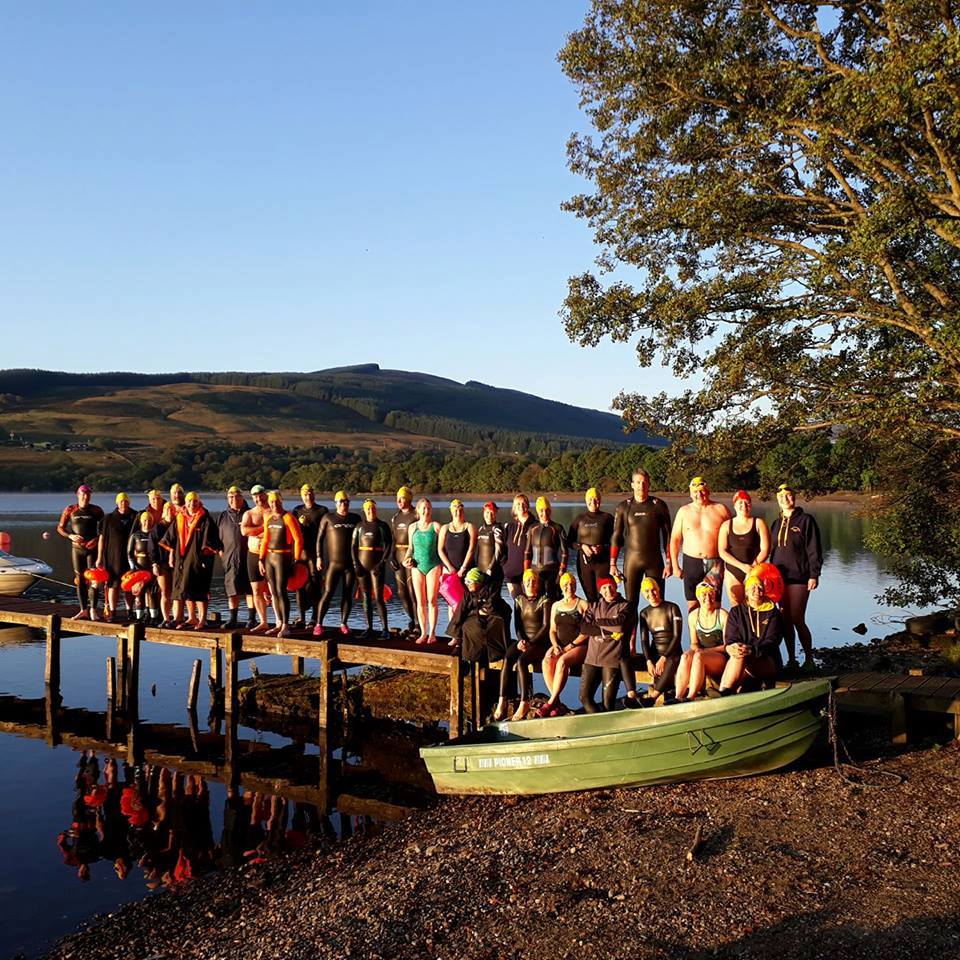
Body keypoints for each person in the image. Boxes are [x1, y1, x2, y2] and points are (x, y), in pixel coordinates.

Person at [769, 483, 823, 671]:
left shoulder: (806, 520)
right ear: (778, 499)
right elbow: (771, 552)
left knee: (797, 618)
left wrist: (814, 575)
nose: (786, 499)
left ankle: (809, 659)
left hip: (800, 577)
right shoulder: (775, 523)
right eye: (782, 496)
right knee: (784, 620)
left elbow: (814, 550)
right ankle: (791, 659)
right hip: (779, 579)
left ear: (794, 497)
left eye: (789, 495)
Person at [493, 569, 552, 722]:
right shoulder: (519, 599)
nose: (530, 584)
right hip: (523, 640)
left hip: (539, 643)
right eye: (527, 582)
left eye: (533, 581)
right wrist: (520, 640)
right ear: (523, 584)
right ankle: (502, 700)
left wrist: (531, 643)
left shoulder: (544, 600)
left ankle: (524, 701)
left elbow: (545, 626)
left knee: (522, 661)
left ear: (537, 584)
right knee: (508, 658)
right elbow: (518, 624)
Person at [610, 468, 672, 610]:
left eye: (644, 482)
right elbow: (617, 536)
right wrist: (613, 564)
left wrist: (669, 562)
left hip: (655, 561)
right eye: (637, 482)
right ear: (632, 485)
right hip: (632, 561)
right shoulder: (624, 507)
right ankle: (631, 633)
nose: (641, 486)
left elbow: (668, 535)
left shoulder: (659, 505)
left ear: (649, 484)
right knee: (630, 605)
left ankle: (659, 632)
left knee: (658, 602)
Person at [161, 492, 222, 630]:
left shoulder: (205, 518)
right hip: (182, 557)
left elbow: (212, 539)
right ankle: (191, 618)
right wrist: (171, 554)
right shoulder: (180, 517)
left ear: (199, 502)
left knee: (200, 587)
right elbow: (171, 538)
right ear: (186, 503)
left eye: (194, 501)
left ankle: (202, 619)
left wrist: (208, 553)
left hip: (199, 557)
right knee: (185, 587)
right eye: (189, 501)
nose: (191, 504)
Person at [669, 476, 731, 612]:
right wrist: (675, 566)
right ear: (691, 494)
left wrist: (730, 566)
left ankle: (715, 633)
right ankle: (694, 633)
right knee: (693, 606)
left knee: (714, 604)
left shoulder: (721, 509)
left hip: (715, 562)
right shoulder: (683, 512)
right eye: (695, 492)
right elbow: (675, 539)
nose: (699, 494)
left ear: (708, 491)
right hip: (691, 562)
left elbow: (732, 537)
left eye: (702, 491)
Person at [577, 576, 637, 713]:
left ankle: (604, 726)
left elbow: (620, 626)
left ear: (616, 587)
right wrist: (607, 631)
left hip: (612, 659)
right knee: (584, 697)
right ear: (600, 591)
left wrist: (596, 622)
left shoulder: (626, 606)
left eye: (611, 587)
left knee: (608, 703)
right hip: (592, 658)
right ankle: (599, 725)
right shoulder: (594, 606)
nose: (608, 591)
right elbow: (584, 628)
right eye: (604, 588)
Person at [720, 571, 785, 692]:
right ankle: (724, 692)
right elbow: (731, 638)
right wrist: (731, 647)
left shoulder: (773, 613)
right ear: (746, 592)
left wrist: (752, 650)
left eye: (760, 587)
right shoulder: (736, 612)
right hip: (742, 658)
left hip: (766, 660)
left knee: (742, 654)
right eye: (753, 588)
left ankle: (726, 692)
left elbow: (773, 641)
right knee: (737, 653)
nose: (757, 591)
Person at [537, 572, 589, 718]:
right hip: (560, 644)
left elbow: (586, 632)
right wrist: (554, 645)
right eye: (566, 584)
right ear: (561, 587)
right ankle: (558, 704)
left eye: (572, 584)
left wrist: (570, 646)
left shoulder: (583, 604)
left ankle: (551, 701)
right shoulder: (556, 606)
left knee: (562, 661)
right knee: (547, 661)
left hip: (580, 646)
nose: (569, 587)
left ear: (576, 585)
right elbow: (552, 630)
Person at [314, 492, 362, 637]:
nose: (344, 504)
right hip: (334, 564)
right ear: (335, 503)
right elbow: (319, 539)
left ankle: (343, 623)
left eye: (346, 501)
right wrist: (319, 557)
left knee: (347, 594)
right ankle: (318, 624)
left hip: (350, 565)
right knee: (327, 593)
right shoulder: (328, 518)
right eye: (341, 501)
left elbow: (362, 541)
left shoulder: (355, 518)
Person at [57, 484, 105, 621]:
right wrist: (70, 536)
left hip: (92, 549)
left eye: (88, 494)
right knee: (80, 581)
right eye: (83, 494)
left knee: (94, 580)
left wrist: (96, 539)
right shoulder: (70, 509)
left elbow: (103, 530)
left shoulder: (96, 510)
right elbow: (60, 528)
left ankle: (93, 610)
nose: (85, 497)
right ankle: (83, 610)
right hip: (77, 550)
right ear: (77, 495)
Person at [258, 492, 303, 637]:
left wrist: (296, 559)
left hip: (283, 557)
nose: (274, 504)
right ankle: (278, 624)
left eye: (276, 502)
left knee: (281, 591)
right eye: (271, 502)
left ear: (281, 502)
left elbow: (298, 539)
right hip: (270, 557)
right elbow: (265, 539)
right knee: (274, 592)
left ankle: (286, 625)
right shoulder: (269, 519)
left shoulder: (288, 517)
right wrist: (261, 558)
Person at [675, 579, 728, 700]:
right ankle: (678, 696)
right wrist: (698, 649)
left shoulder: (723, 615)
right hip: (702, 655)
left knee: (699, 657)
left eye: (711, 594)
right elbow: (693, 643)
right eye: (704, 595)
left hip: (720, 658)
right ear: (698, 597)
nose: (708, 598)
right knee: (685, 656)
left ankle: (691, 696)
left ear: (715, 595)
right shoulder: (693, 616)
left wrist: (706, 651)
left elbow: (727, 645)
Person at [450, 567, 512, 670]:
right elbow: (460, 612)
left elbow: (490, 608)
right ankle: (464, 650)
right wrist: (457, 639)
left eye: (470, 581)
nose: (467, 584)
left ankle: (494, 652)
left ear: (478, 581)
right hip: (478, 617)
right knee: (466, 624)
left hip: (495, 617)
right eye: (466, 581)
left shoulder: (491, 589)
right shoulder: (467, 593)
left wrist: (475, 611)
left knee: (488, 625)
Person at [718, 490, 770, 606]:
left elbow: (765, 549)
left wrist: (752, 567)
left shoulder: (758, 523)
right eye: (740, 503)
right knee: (737, 606)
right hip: (733, 570)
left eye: (747, 503)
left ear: (751, 505)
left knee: (754, 605)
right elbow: (722, 551)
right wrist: (742, 567)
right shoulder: (726, 525)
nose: (744, 506)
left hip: (755, 569)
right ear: (734, 505)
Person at [637, 576, 684, 703]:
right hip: (655, 652)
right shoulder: (644, 613)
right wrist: (648, 661)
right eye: (647, 591)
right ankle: (635, 697)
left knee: (670, 662)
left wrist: (663, 658)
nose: (651, 594)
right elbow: (644, 641)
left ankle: (652, 699)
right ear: (643, 594)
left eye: (653, 590)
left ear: (658, 590)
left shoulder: (672, 608)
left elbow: (677, 637)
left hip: (672, 652)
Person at [351, 499, 393, 640]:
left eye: (373, 508)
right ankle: (369, 628)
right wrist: (356, 564)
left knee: (379, 598)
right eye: (368, 509)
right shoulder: (359, 527)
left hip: (376, 566)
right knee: (366, 597)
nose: (371, 511)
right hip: (362, 566)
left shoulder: (382, 526)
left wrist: (382, 564)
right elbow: (353, 547)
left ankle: (385, 629)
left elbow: (388, 545)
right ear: (364, 510)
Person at [403, 498, 442, 644]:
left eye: (429, 508)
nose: (426, 511)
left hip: (433, 565)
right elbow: (410, 549)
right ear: (418, 510)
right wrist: (405, 560)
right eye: (423, 508)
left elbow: (443, 549)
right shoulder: (412, 527)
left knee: (432, 601)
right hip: (417, 566)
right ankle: (423, 633)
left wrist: (444, 567)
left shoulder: (436, 526)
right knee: (420, 602)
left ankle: (432, 633)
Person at [568, 487, 615, 603]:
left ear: (600, 500)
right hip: (584, 564)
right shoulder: (579, 519)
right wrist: (582, 546)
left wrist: (602, 547)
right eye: (590, 499)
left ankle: (604, 619)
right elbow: (569, 542)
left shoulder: (608, 518)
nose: (593, 502)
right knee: (590, 599)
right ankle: (592, 620)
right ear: (586, 501)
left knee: (603, 597)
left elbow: (618, 541)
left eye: (596, 499)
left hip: (603, 563)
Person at [291, 483, 327, 630]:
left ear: (314, 494)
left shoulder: (321, 510)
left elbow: (325, 532)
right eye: (305, 494)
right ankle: (302, 617)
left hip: (315, 553)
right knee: (299, 586)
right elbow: (292, 532)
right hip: (300, 553)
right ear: (301, 495)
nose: (308, 496)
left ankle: (314, 617)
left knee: (315, 584)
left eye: (310, 493)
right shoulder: (297, 510)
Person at [97, 492, 137, 621]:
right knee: (113, 585)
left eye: (125, 501)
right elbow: (101, 539)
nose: (123, 504)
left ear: (129, 502)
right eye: (121, 501)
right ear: (117, 503)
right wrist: (99, 558)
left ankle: (130, 611)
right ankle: (112, 612)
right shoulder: (108, 518)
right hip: (113, 557)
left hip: (131, 557)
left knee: (129, 585)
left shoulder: (136, 516)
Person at [438, 498, 476, 631]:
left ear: (463, 510)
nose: (457, 511)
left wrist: (463, 568)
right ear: (450, 510)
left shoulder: (470, 527)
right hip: (450, 571)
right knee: (452, 604)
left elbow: (471, 549)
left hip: (466, 571)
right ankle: (454, 632)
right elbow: (440, 550)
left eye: (459, 509)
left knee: (467, 603)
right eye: (454, 509)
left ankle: (466, 632)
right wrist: (450, 568)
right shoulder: (444, 528)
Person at [217, 486, 252, 629]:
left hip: (249, 556)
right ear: (228, 499)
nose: (234, 500)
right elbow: (216, 538)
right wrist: (220, 551)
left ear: (242, 498)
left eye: (237, 497)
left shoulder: (250, 513)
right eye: (231, 497)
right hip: (230, 558)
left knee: (251, 589)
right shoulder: (223, 516)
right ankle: (233, 619)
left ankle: (251, 618)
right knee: (232, 589)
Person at [524, 496, 568, 600]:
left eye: (547, 510)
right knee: (536, 601)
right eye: (541, 510)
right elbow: (527, 552)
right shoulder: (532, 529)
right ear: (537, 512)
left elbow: (564, 553)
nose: (544, 513)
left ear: (550, 510)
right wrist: (526, 573)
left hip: (553, 572)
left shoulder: (557, 528)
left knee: (553, 601)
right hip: (535, 573)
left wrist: (561, 572)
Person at [240, 486, 271, 632]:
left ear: (265, 495)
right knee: (256, 590)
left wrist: (257, 531)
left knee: (274, 589)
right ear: (252, 498)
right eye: (256, 497)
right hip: (253, 554)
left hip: (272, 554)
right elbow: (245, 531)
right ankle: (263, 621)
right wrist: (264, 530)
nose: (259, 499)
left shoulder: (273, 511)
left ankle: (279, 621)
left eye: (261, 496)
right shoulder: (249, 514)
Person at [390, 486, 419, 637]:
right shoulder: (395, 517)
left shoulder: (416, 514)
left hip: (411, 555)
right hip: (398, 554)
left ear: (408, 499)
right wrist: (391, 557)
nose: (399, 501)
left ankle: (418, 624)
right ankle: (412, 620)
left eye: (402, 498)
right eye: (398, 498)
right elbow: (393, 539)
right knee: (401, 592)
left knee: (413, 591)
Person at [128, 510, 160, 623]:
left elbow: (158, 552)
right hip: (139, 567)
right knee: (139, 594)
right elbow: (129, 553)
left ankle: (153, 617)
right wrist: (134, 568)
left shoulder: (155, 534)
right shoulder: (135, 535)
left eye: (149, 520)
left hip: (151, 567)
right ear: (141, 521)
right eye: (145, 520)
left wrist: (155, 565)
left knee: (152, 593)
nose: (147, 522)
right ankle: (139, 617)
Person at [502, 494, 536, 598]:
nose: (520, 506)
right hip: (511, 575)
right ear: (514, 508)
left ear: (527, 505)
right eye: (518, 504)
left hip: (528, 573)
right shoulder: (509, 526)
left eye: (523, 503)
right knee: (517, 605)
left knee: (529, 605)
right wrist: (504, 566)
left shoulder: (535, 526)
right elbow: (502, 548)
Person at [475, 501, 505, 593]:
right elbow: (478, 550)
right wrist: (475, 567)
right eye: (487, 512)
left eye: (492, 513)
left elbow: (498, 550)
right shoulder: (481, 529)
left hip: (493, 571)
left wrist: (490, 568)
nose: (489, 515)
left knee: (492, 601)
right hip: (481, 571)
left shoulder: (497, 529)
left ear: (495, 514)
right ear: (483, 513)